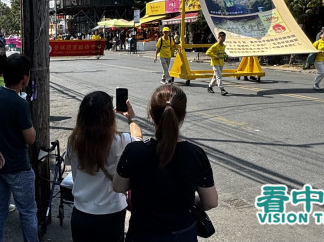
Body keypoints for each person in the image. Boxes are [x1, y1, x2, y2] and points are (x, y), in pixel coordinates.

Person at [112, 85, 218, 242]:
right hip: (183, 234)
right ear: (182, 116)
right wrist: (186, 198)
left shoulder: (135, 151)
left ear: (151, 115)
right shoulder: (196, 154)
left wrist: (132, 119)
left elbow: (118, 187)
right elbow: (210, 202)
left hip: (143, 233)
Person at [66, 91, 142, 242]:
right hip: (111, 213)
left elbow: (74, 172)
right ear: (109, 117)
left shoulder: (73, 141)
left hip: (81, 211)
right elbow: (139, 140)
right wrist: (131, 118)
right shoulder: (121, 141)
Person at [0, 54, 38, 242]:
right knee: (28, 212)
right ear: (24, 78)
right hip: (18, 167)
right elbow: (30, 138)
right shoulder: (20, 103)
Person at [205, 31, 228, 96]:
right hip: (215, 63)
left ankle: (210, 87)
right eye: (222, 37)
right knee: (219, 76)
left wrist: (225, 55)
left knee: (215, 76)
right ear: (218, 37)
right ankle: (222, 89)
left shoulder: (223, 46)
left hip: (221, 63)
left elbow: (222, 53)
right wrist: (215, 56)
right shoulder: (215, 46)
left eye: (224, 38)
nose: (223, 39)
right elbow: (207, 53)